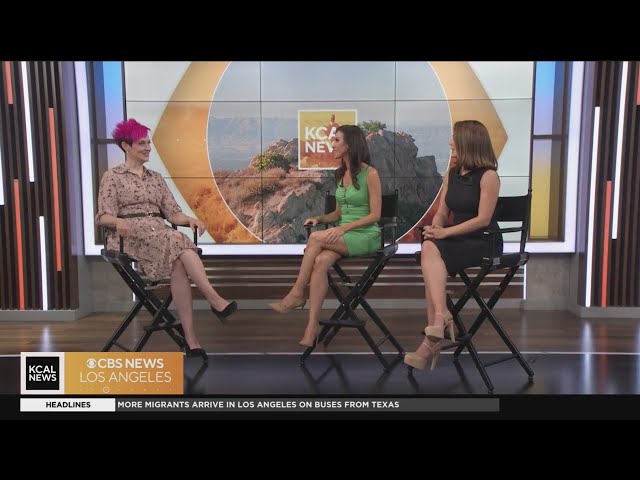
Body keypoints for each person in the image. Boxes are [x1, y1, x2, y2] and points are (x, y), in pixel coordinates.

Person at [96, 118, 237, 362]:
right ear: (126, 146)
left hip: (161, 235)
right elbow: (102, 216)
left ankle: (191, 341)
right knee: (177, 239)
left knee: (179, 258)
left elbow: (172, 214)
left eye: (149, 142)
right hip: (129, 237)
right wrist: (117, 221)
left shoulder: (156, 178)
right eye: (142, 143)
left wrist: (190, 219)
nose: (148, 147)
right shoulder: (113, 177)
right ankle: (214, 299)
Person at [269, 125, 382, 347]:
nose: (332, 145)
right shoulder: (341, 175)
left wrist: (342, 229)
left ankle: (297, 293)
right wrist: (320, 219)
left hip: (365, 235)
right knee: (320, 261)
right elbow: (338, 214)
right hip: (344, 235)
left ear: (349, 145)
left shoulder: (371, 174)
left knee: (315, 239)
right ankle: (312, 327)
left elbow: (375, 215)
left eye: (336, 140)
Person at [404, 120, 501, 371]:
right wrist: (436, 227)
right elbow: (442, 211)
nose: (450, 143)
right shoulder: (452, 174)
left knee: (430, 258)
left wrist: (445, 232)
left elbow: (483, 219)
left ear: (469, 142)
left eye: (454, 139)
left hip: (483, 240)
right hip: (456, 238)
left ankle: (432, 337)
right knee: (429, 247)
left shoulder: (489, 176)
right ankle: (439, 320)